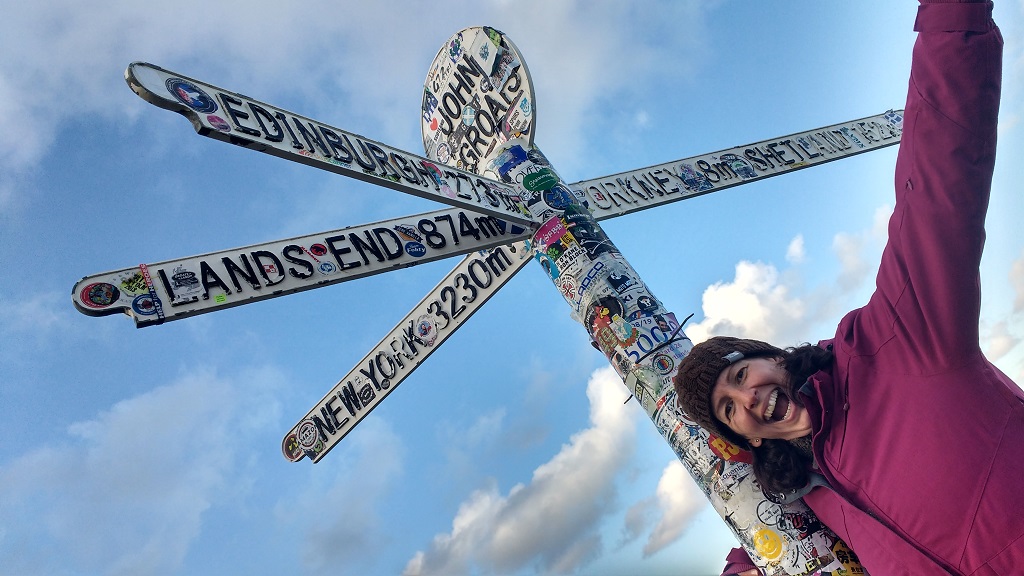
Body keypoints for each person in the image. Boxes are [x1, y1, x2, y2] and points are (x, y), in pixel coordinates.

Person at [673, 2, 1019, 575]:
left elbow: (938, 186)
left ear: (772, 357)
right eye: (730, 412)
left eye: (740, 377)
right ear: (745, 438)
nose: (749, 401)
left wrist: (949, 16)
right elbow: (771, 548)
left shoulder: (895, 341)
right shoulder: (806, 496)